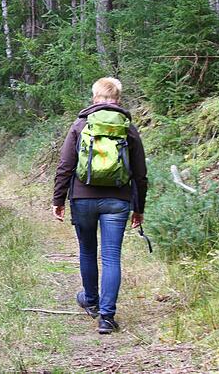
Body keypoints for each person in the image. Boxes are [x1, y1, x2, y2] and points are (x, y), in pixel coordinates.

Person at [52, 77, 148, 335]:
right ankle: (106, 317)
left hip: (82, 199)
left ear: (95, 97)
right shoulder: (127, 127)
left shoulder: (81, 124)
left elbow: (65, 166)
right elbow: (140, 174)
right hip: (118, 200)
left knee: (87, 250)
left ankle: (91, 302)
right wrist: (138, 207)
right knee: (111, 256)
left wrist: (58, 200)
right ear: (118, 98)